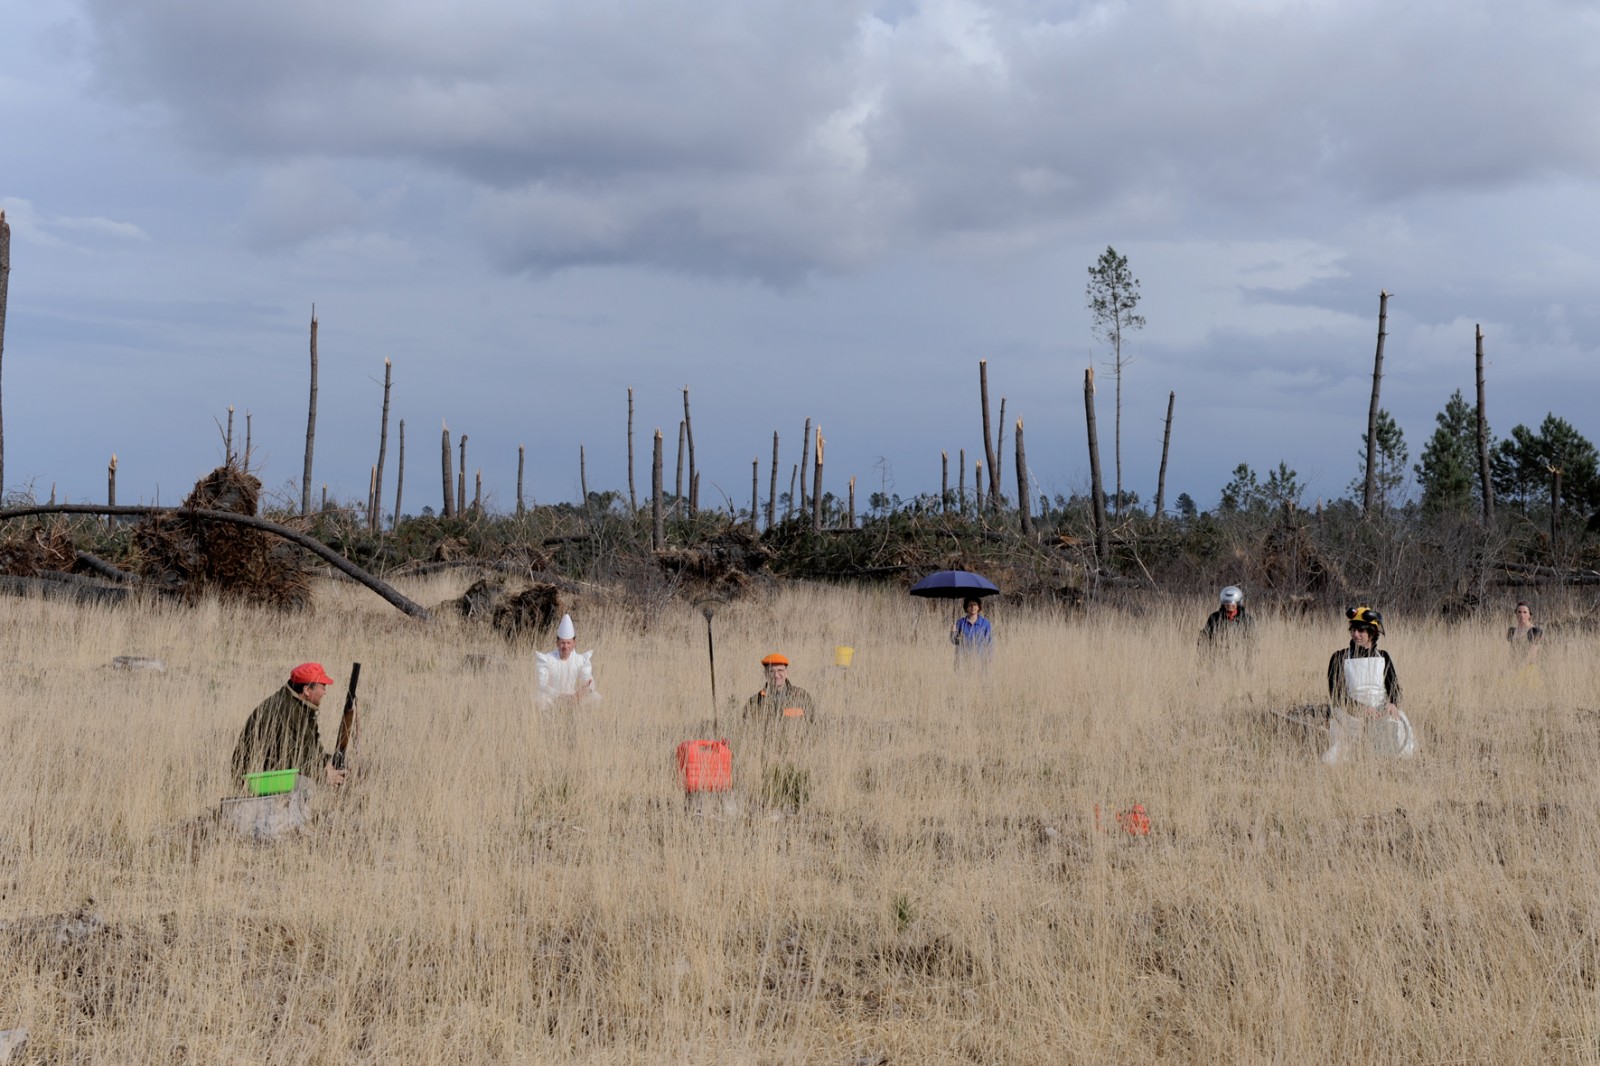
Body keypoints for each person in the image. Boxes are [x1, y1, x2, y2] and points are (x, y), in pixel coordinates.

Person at [231, 662, 349, 787]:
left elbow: (309, 747)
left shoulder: (300, 706)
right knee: (308, 784)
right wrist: (323, 775)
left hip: (272, 774)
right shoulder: (283, 713)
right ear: (307, 690)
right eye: (323, 687)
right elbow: (288, 760)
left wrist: (327, 762)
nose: (324, 692)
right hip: (254, 781)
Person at [1323, 606, 1414, 764]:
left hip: (1380, 714)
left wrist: (1392, 704)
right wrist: (1361, 709)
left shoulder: (1384, 657)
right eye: (1353, 630)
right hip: (1349, 716)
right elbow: (1337, 695)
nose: (1355, 635)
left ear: (1372, 633)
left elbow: (1394, 687)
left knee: (1397, 750)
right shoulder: (1339, 657)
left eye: (1361, 631)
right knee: (1333, 760)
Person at [742, 653, 818, 808]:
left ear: (787, 672)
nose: (776, 675)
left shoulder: (802, 697)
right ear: (765, 674)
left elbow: (814, 729)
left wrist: (800, 751)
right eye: (771, 671)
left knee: (799, 800)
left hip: (797, 759)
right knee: (772, 800)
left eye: (780, 670)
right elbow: (747, 733)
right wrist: (764, 752)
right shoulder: (755, 702)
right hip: (769, 760)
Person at [536, 614, 600, 710]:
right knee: (539, 699)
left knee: (595, 697)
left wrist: (580, 694)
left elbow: (589, 682)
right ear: (557, 643)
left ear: (574, 643)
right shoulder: (547, 659)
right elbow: (542, 684)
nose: (565, 646)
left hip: (575, 698)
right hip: (554, 699)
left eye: (568, 643)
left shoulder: (581, 660)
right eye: (562, 643)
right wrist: (560, 696)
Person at [949, 597, 994, 662]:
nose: (973, 607)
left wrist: (989, 656)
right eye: (970, 605)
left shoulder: (985, 623)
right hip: (963, 659)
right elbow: (954, 641)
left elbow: (990, 642)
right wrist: (952, 632)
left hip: (980, 659)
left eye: (975, 604)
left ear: (979, 607)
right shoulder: (960, 622)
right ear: (966, 608)